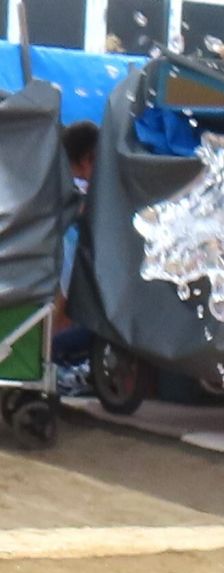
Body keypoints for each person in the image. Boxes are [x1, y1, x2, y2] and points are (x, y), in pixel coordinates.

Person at [53, 121, 99, 382]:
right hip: (60, 292)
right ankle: (50, 354)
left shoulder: (56, 186)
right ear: (87, 159)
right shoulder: (73, 194)